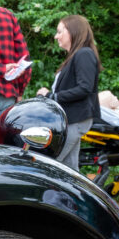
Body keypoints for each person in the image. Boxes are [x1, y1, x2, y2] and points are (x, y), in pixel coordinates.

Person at [34, 15, 100, 170]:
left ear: (72, 32)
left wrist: (51, 96)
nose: (56, 36)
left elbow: (85, 88)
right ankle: (73, 194)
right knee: (69, 169)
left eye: (59, 31)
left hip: (75, 119)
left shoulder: (84, 54)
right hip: (71, 120)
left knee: (52, 165)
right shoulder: (76, 56)